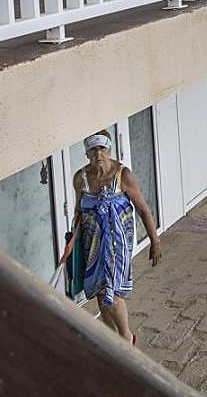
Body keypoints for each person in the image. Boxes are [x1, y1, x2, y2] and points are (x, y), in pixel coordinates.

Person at [69, 131, 162, 344]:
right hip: (92, 244)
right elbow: (78, 211)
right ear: (86, 153)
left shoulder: (123, 175)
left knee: (110, 291)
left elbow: (143, 209)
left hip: (117, 243)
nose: (98, 154)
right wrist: (72, 243)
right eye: (93, 149)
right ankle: (112, 341)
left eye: (102, 148)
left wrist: (154, 241)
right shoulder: (81, 178)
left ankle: (126, 338)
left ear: (109, 149)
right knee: (100, 293)